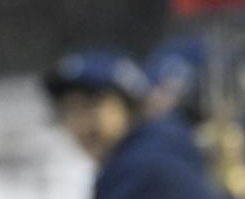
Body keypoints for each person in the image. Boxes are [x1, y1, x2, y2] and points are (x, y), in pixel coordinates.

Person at [46, 49, 222, 199]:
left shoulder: (140, 169)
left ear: (129, 106)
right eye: (69, 111)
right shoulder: (161, 143)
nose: (81, 125)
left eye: (91, 106)